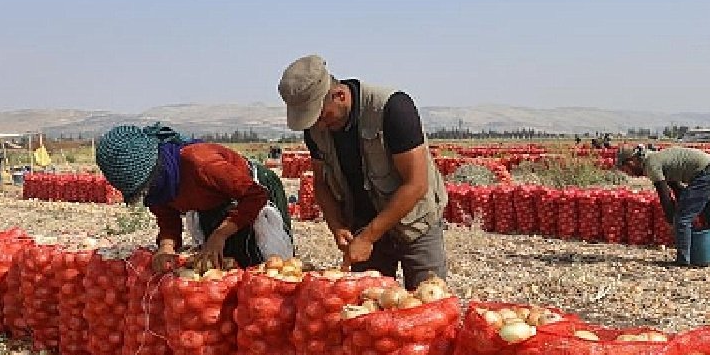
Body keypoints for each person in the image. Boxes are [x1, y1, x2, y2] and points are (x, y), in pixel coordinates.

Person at [277, 54, 448, 289]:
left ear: (340, 95)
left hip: (414, 224)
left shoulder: (392, 108)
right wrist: (336, 226)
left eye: (322, 116)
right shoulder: (316, 128)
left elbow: (416, 184)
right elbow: (321, 183)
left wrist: (368, 237)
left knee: (426, 303)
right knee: (366, 308)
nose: (319, 126)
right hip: (362, 224)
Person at [95, 123, 292, 272]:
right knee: (222, 263)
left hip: (251, 192)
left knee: (259, 262)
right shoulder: (158, 187)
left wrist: (220, 234)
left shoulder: (200, 163)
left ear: (156, 168)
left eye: (147, 186)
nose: (147, 193)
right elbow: (167, 217)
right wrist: (166, 247)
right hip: (209, 204)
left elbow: (254, 195)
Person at [619, 144, 710, 267]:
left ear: (632, 161)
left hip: (706, 176)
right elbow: (676, 188)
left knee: (683, 219)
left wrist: (672, 216)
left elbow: (664, 193)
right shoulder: (659, 158)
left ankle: (683, 260)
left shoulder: (651, 164)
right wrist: (680, 206)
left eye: (626, 169)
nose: (629, 173)